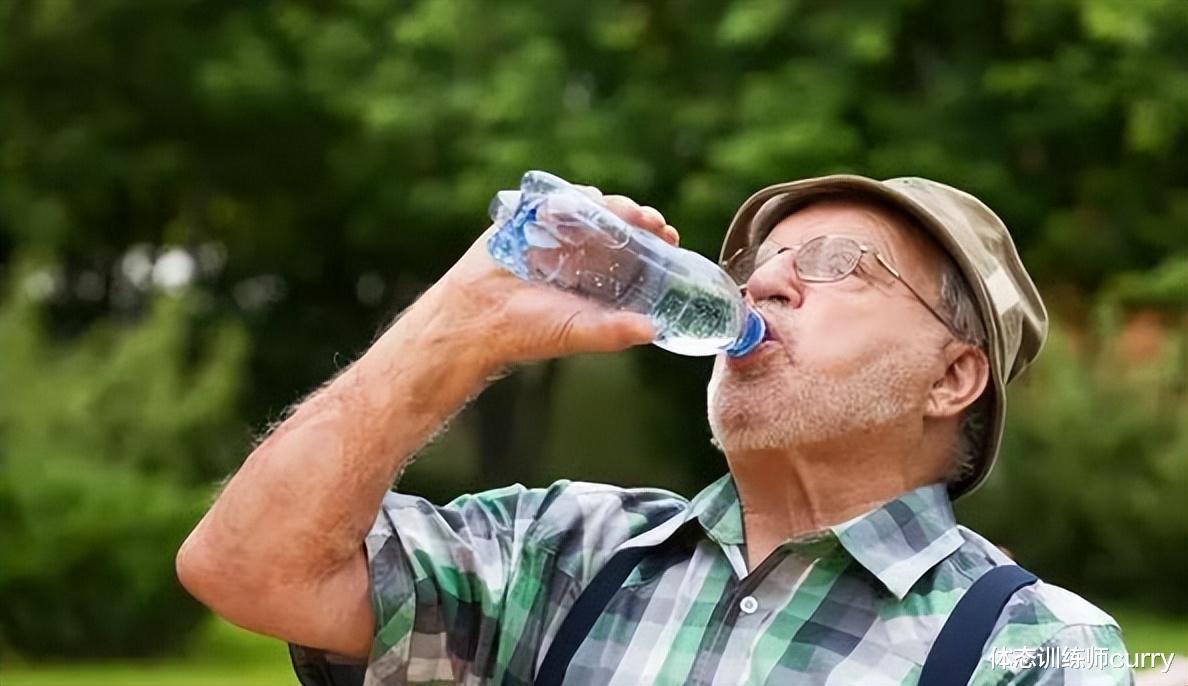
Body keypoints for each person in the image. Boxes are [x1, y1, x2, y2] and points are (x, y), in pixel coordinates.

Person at [177, 174, 1134, 685]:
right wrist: (454, 333)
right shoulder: (565, 554)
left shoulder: (1039, 648)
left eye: (839, 264)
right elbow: (249, 566)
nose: (759, 282)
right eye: (760, 262)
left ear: (953, 377)